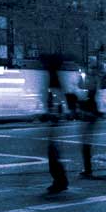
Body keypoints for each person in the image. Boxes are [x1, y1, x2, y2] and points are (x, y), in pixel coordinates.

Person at [41, 53, 68, 193]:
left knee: (53, 153)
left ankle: (60, 181)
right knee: (53, 153)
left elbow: (56, 99)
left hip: (55, 121)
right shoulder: (54, 77)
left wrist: (53, 115)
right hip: (55, 120)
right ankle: (60, 180)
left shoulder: (53, 78)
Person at [79, 58, 105, 178]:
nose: (90, 69)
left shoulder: (93, 81)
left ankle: (88, 169)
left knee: (85, 144)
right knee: (85, 144)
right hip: (89, 114)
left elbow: (90, 97)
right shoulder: (93, 80)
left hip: (89, 115)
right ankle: (87, 168)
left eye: (91, 66)